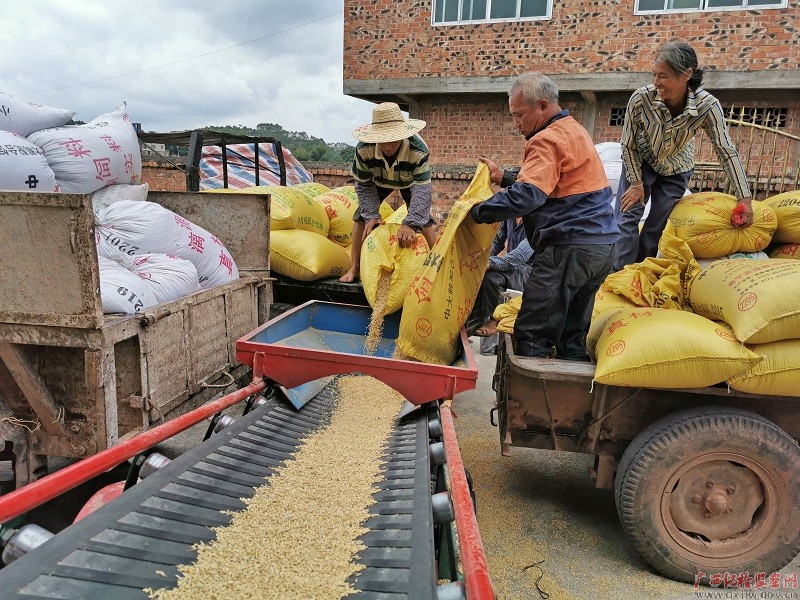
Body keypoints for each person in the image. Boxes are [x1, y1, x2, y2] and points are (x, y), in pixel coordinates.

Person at [469, 72, 618, 360]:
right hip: (601, 248)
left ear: (541, 106)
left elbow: (529, 196)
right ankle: (568, 401)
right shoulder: (573, 130)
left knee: (533, 333)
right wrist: (506, 177)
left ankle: (527, 404)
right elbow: (554, 186)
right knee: (571, 334)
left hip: (568, 249)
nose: (516, 124)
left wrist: (475, 212)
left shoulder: (545, 139)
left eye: (519, 115)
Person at [615, 40, 753, 269]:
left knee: (656, 227)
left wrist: (744, 198)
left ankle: (639, 274)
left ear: (686, 74)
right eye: (654, 75)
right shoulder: (640, 99)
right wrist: (636, 182)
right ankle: (619, 275)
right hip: (641, 161)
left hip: (676, 167)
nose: (655, 82)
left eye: (663, 76)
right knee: (626, 218)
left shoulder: (707, 106)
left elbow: (726, 151)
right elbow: (628, 144)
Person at [339, 102, 437, 283]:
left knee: (425, 219)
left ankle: (437, 268)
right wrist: (371, 215)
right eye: (383, 140)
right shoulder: (363, 149)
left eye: (393, 140)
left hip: (410, 181)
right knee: (360, 216)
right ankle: (355, 268)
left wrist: (412, 223)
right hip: (378, 180)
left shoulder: (418, 149)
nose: (388, 146)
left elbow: (423, 189)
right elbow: (362, 183)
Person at [466, 212, 533, 355]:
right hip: (513, 269)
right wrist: (482, 259)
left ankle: (493, 320)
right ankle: (474, 324)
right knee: (478, 274)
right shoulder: (509, 216)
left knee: (491, 276)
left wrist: (488, 263)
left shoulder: (536, 219)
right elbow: (497, 242)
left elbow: (519, 256)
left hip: (529, 270)